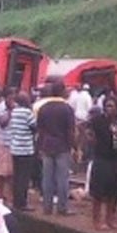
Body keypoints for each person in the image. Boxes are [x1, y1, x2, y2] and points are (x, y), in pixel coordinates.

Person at [36, 82, 76, 216]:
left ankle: (47, 207)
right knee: (62, 178)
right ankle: (62, 207)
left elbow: (39, 129)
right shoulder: (67, 109)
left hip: (47, 146)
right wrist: (73, 147)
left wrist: (40, 146)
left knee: (47, 178)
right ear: (62, 92)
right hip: (62, 146)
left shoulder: (44, 108)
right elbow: (70, 131)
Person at [88, 102, 117, 230]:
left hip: (115, 159)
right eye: (107, 106)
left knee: (113, 192)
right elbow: (88, 131)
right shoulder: (98, 121)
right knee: (98, 192)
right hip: (101, 158)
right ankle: (96, 220)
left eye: (112, 106)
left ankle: (110, 219)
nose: (110, 109)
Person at [9, 92, 36, 211]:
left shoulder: (13, 112)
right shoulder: (28, 113)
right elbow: (34, 126)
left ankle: (15, 201)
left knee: (17, 176)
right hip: (26, 148)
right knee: (24, 177)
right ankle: (22, 203)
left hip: (15, 147)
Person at [0, 89, 14, 202]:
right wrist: (10, 112)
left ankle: (8, 194)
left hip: (13, 142)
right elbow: (2, 123)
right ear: (6, 98)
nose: (12, 100)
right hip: (1, 142)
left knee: (10, 171)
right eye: (11, 97)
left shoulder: (16, 107)